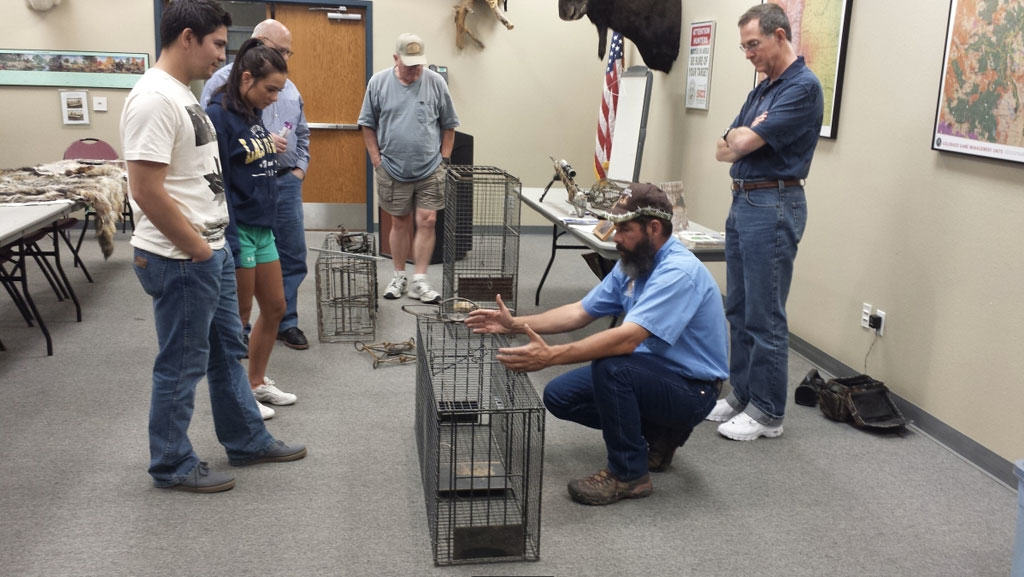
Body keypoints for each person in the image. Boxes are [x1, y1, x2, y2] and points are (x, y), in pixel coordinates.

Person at [121, 0, 306, 493]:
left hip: (212, 247)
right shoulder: (154, 99)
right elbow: (145, 189)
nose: (225, 55)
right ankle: (172, 463)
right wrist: (198, 250)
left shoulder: (182, 93)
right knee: (181, 364)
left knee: (227, 351)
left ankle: (246, 439)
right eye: (219, 44)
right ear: (187, 37)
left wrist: (213, 246)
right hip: (181, 256)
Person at [465, 184, 728, 506]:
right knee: (561, 396)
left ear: (654, 228)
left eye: (624, 228)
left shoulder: (678, 272)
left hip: (692, 389)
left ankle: (629, 475)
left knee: (613, 367)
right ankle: (659, 435)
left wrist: (551, 356)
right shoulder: (634, 262)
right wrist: (517, 324)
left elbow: (627, 338)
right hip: (652, 371)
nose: (614, 236)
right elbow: (580, 312)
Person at [712, 3, 823, 441]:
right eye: (743, 46)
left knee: (765, 314)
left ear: (780, 36)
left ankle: (768, 413)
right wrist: (741, 139)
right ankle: (741, 394)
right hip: (743, 202)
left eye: (753, 44)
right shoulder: (762, 89)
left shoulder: (803, 87)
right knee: (737, 307)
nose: (748, 54)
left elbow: (744, 139)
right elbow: (725, 147)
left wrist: (743, 138)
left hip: (774, 204)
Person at [201, 19, 312, 351]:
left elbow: (302, 134)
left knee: (287, 269)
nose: (276, 98)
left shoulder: (270, 98)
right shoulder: (222, 99)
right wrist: (230, 233)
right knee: (240, 308)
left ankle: (282, 330)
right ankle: (240, 365)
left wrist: (298, 170)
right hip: (242, 215)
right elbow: (217, 175)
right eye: (281, 52)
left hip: (278, 190)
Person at [205, 38, 298, 420]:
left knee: (275, 307)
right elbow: (217, 176)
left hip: (263, 226)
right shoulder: (218, 115)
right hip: (238, 227)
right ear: (246, 78)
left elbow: (253, 156)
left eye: (279, 89)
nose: (276, 97)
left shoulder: (252, 113)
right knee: (238, 317)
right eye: (270, 89)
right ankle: (239, 398)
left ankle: (256, 382)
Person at [358, 33, 459, 304]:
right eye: (409, 65)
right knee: (399, 222)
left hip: (430, 169)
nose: (415, 71)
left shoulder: (435, 82)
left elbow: (449, 124)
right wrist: (376, 160)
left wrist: (444, 160)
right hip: (391, 167)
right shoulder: (378, 83)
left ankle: (420, 280)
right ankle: (399, 274)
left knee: (428, 220)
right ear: (395, 59)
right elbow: (367, 124)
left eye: (418, 65)